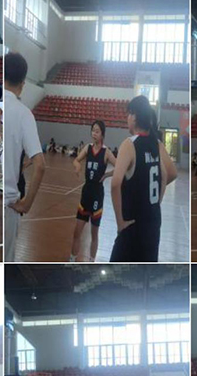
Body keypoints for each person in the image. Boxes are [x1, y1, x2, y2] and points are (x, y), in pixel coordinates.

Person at [110, 95, 178, 262]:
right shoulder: (157, 143)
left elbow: (115, 183)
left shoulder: (129, 144)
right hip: (153, 221)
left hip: (133, 224)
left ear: (134, 117)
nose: (127, 118)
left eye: (129, 114)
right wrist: (155, 200)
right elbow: (171, 174)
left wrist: (120, 222)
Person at [4, 52, 46, 261]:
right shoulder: (23, 113)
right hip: (8, 206)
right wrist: (27, 203)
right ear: (23, 83)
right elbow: (40, 165)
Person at [69, 120, 116, 262]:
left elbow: (120, 166)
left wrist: (107, 175)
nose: (94, 133)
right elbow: (76, 160)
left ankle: (91, 261)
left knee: (94, 234)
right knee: (77, 232)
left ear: (102, 134)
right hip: (86, 193)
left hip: (97, 195)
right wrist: (77, 166)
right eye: (93, 130)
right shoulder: (87, 148)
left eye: (97, 131)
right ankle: (72, 259)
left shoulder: (106, 152)